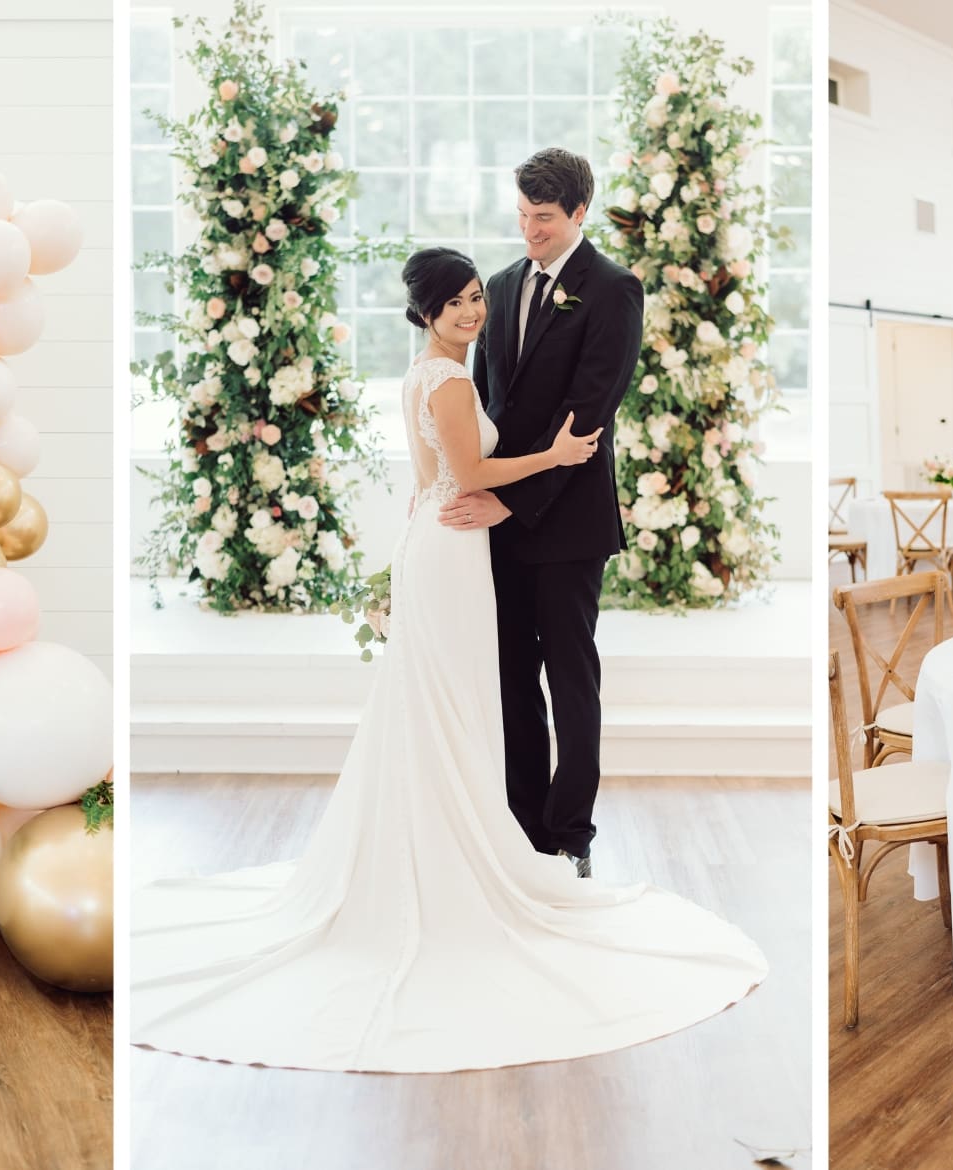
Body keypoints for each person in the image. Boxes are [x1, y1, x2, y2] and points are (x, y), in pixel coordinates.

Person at [129, 246, 765, 1075]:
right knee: (461, 695)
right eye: (457, 303)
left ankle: (508, 833)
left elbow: (441, 470)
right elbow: (470, 468)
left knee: (450, 696)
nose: (473, 311)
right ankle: (466, 845)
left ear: (574, 213)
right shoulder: (452, 379)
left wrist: (480, 484)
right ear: (428, 312)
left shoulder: (430, 372)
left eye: (475, 299)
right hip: (462, 539)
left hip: (446, 537)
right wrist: (556, 458)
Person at [442, 147, 643, 879]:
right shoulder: (497, 286)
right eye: (523, 216)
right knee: (510, 676)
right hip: (497, 520)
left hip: (566, 522)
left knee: (570, 677)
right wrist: (474, 485)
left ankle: (570, 834)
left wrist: (508, 497)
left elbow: (587, 417)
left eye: (546, 219)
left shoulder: (614, 290)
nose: (530, 231)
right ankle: (521, 829)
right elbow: (489, 408)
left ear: (580, 213)